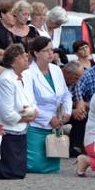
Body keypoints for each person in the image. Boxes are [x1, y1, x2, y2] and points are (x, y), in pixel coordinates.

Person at [0, 44, 37, 179]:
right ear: (12, 63)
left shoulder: (26, 75)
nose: (26, 58)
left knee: (19, 173)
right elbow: (7, 114)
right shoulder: (6, 80)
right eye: (21, 57)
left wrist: (33, 111)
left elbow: (31, 99)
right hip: (7, 130)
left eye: (25, 55)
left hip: (21, 128)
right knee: (10, 173)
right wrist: (27, 117)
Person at [26, 36, 72, 174]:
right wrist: (49, 118)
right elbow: (28, 104)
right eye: (46, 51)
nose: (51, 53)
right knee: (35, 166)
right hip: (35, 124)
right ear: (36, 53)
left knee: (54, 167)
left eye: (52, 50)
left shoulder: (56, 70)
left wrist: (67, 111)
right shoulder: (28, 73)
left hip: (56, 125)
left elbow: (66, 94)